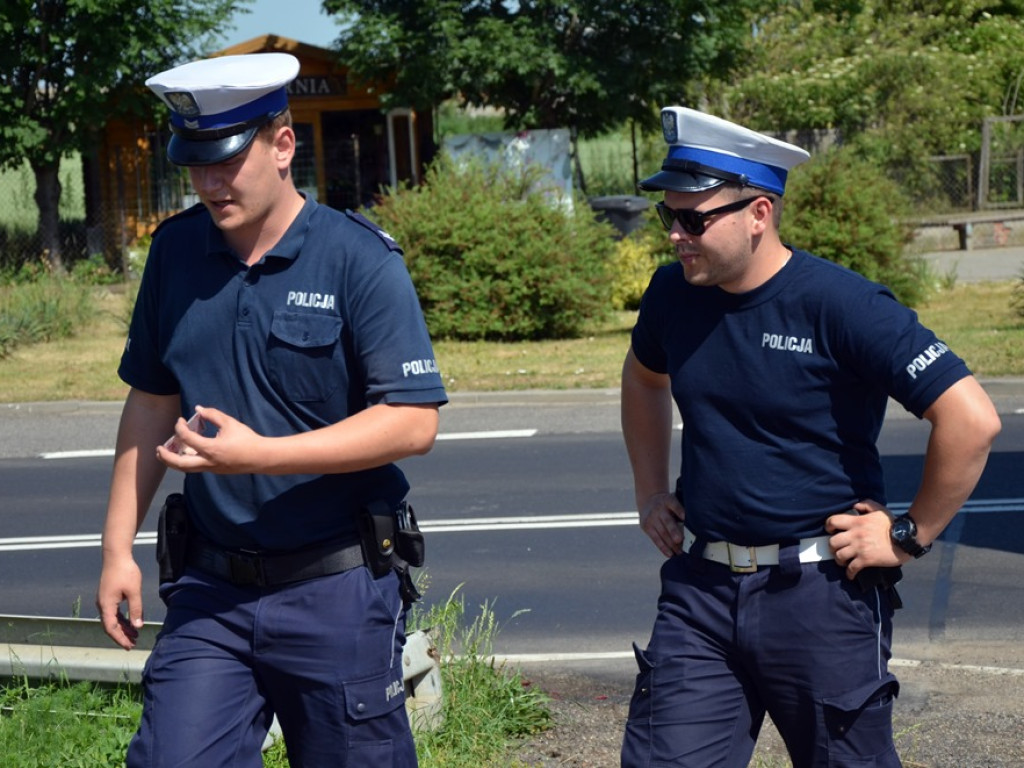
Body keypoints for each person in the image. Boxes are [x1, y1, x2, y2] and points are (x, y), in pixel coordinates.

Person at [619, 107, 1001, 768]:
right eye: (668, 217)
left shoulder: (841, 304)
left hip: (822, 598)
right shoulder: (672, 295)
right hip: (699, 596)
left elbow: (971, 419)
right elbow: (644, 379)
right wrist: (651, 491)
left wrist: (909, 535)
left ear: (759, 212)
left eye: (694, 220)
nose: (676, 236)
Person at [95, 52, 447, 767]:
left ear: (282, 145)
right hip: (212, 591)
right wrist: (114, 549)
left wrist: (261, 455)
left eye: (226, 160)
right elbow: (152, 399)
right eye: (194, 163)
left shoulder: (359, 259)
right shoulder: (175, 253)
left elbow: (413, 422)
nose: (209, 182)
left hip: (336, 589)